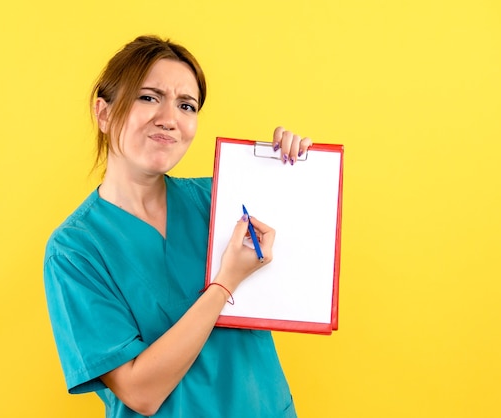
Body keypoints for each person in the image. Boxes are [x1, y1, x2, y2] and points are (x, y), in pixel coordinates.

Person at [43, 35, 312, 417]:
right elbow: (140, 393)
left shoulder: (222, 200)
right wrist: (224, 284)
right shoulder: (75, 250)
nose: (169, 119)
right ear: (103, 113)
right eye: (148, 97)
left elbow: (303, 271)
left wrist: (293, 171)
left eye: (186, 105)